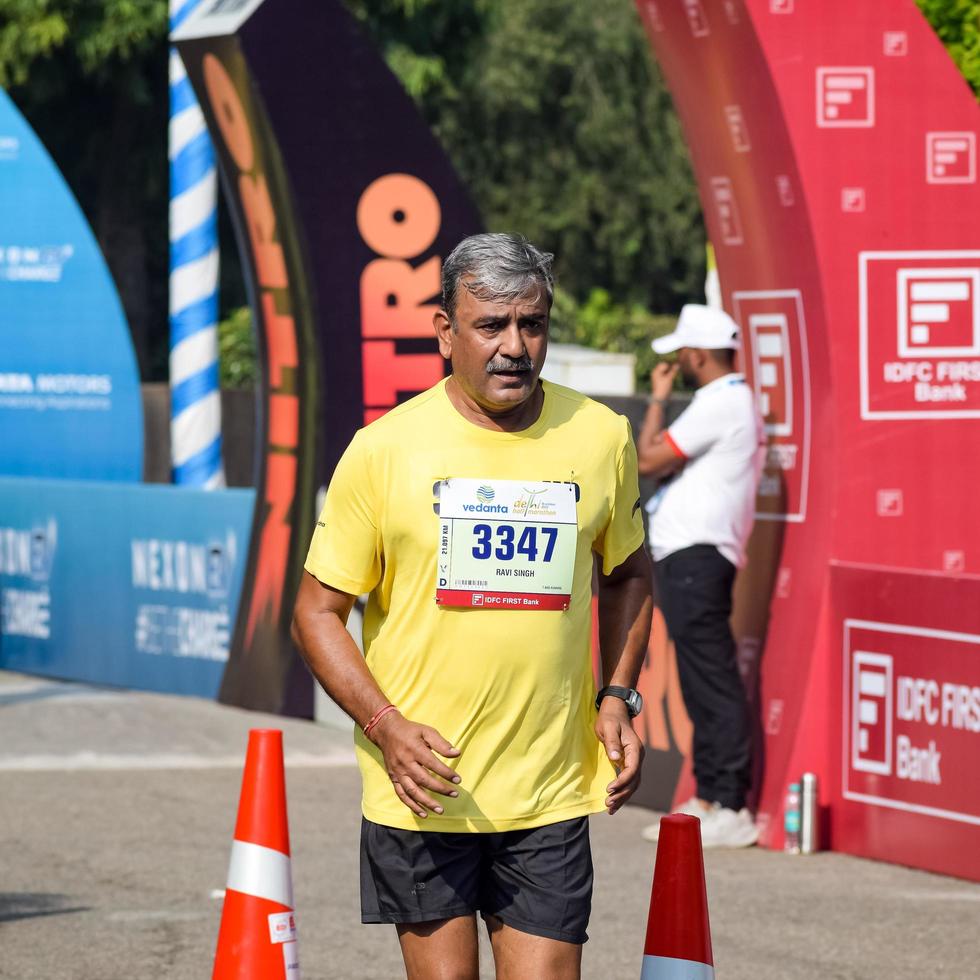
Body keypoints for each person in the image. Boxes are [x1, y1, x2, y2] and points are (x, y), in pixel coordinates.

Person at [291, 233, 652, 979]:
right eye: (491, 326)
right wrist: (385, 727)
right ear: (445, 331)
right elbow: (316, 612)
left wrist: (616, 696)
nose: (515, 346)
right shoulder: (384, 449)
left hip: (547, 786)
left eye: (533, 323)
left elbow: (628, 575)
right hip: (423, 787)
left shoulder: (599, 436)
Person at [635, 303, 765, 849]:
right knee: (699, 678)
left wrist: (659, 400)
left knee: (711, 678)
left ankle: (731, 803)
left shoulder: (724, 401)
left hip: (699, 555)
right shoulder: (726, 400)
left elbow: (647, 458)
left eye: (682, 354)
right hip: (691, 554)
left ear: (697, 353)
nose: (679, 361)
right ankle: (712, 796)